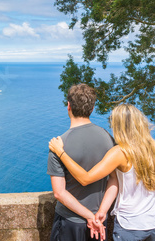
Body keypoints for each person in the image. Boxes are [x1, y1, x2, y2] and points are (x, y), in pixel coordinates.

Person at [49, 103, 155, 240]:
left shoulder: (121, 152)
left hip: (130, 226)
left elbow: (85, 178)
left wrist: (61, 152)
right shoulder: (153, 149)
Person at [47, 83, 116, 241]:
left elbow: (59, 193)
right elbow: (114, 179)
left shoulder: (58, 144)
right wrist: (101, 213)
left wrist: (88, 216)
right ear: (92, 109)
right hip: (100, 222)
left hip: (69, 222)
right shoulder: (108, 139)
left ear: (68, 106)